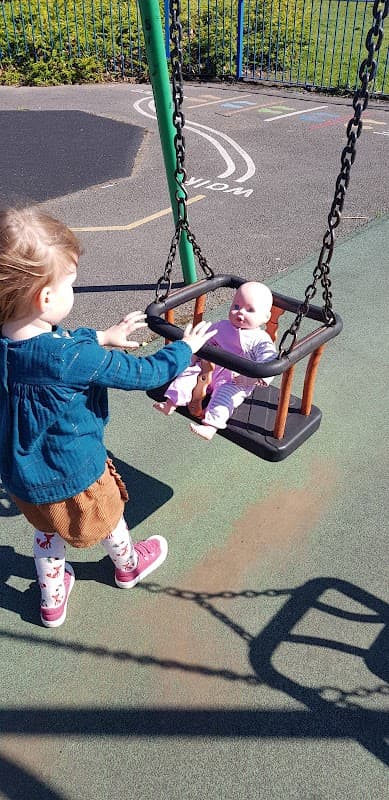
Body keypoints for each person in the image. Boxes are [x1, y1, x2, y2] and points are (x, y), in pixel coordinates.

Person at [0, 206, 215, 628]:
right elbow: (145, 373)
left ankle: (52, 600)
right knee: (110, 515)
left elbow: (53, 344)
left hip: (22, 477)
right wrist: (184, 349)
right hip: (78, 471)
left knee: (47, 532)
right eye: (70, 284)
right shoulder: (77, 359)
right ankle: (128, 565)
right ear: (45, 298)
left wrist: (101, 336)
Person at [154, 281, 277, 440]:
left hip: (235, 379)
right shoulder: (221, 326)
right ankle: (170, 403)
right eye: (236, 307)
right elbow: (203, 341)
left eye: (250, 310)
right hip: (207, 368)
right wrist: (193, 357)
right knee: (187, 375)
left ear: (266, 317)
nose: (240, 313)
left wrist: (250, 378)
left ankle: (210, 427)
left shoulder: (260, 339)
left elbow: (270, 361)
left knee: (225, 398)